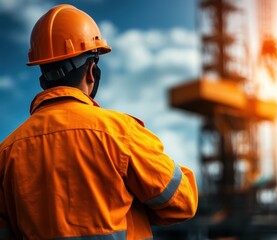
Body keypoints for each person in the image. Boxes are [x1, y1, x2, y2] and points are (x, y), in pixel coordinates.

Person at [0, 4, 198, 240]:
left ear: (43, 79)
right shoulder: (120, 134)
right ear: (92, 72)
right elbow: (183, 202)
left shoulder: (7, 152)